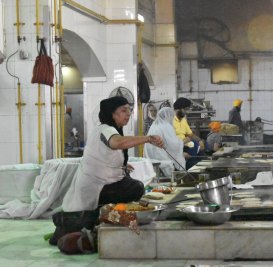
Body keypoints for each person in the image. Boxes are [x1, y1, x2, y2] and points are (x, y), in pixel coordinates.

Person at [51, 96, 164, 246]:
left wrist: (122, 167)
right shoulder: (106, 129)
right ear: (112, 114)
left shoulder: (107, 130)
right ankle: (96, 219)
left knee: (130, 183)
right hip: (94, 188)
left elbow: (104, 157)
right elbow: (118, 143)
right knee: (135, 188)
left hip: (97, 185)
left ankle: (101, 217)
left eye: (129, 110)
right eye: (123, 111)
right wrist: (148, 138)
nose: (128, 114)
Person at [144, 107, 185, 177]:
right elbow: (174, 145)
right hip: (163, 159)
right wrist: (182, 142)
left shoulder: (154, 125)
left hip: (152, 159)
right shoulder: (166, 126)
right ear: (169, 116)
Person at [173, 97, 205, 169]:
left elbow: (191, 135)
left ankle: (199, 167)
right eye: (186, 109)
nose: (188, 112)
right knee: (194, 145)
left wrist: (200, 141)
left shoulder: (183, 120)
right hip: (176, 146)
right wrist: (182, 143)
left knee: (199, 144)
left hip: (185, 144)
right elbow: (169, 141)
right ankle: (190, 169)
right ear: (180, 108)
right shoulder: (171, 121)